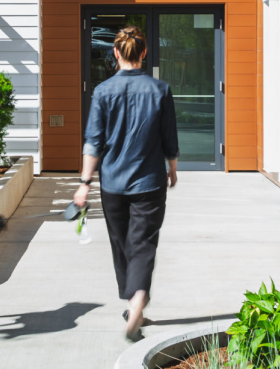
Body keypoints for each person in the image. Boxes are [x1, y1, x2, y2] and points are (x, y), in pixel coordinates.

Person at [72, 25, 179, 342]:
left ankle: (134, 304)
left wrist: (83, 183)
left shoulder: (103, 92)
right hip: (149, 183)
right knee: (143, 244)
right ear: (144, 53)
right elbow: (169, 138)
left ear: (116, 53)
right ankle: (137, 304)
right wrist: (172, 168)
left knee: (121, 245)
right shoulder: (160, 90)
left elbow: (93, 142)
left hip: (113, 185)